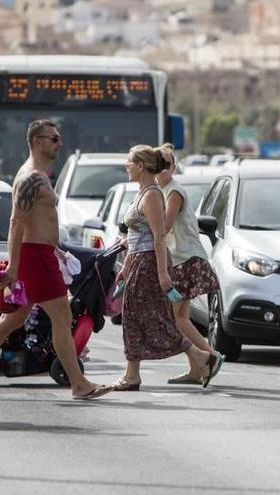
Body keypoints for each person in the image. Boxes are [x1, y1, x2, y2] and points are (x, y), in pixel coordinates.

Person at [0, 119, 111, 401]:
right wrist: (14, 267)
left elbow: (36, 224)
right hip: (33, 258)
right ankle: (79, 384)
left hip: (41, 255)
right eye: (54, 138)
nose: (59, 143)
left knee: (13, 319)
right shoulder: (31, 178)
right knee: (59, 318)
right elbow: (16, 222)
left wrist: (56, 251)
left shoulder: (38, 176)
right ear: (38, 141)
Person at [111, 145, 223, 391]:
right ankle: (136, 374)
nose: (126, 167)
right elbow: (134, 236)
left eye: (129, 162)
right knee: (137, 317)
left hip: (150, 263)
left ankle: (199, 357)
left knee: (154, 318)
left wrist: (163, 273)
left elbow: (159, 236)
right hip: (139, 261)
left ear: (141, 166)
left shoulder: (152, 195)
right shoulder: (142, 192)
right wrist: (126, 266)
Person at [155, 144, 224, 386]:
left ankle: (210, 357)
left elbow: (164, 226)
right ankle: (197, 369)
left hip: (187, 260)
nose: (163, 168)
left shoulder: (173, 191)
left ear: (173, 167)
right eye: (159, 163)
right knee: (181, 318)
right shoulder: (161, 190)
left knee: (176, 320)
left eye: (167, 164)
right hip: (181, 258)